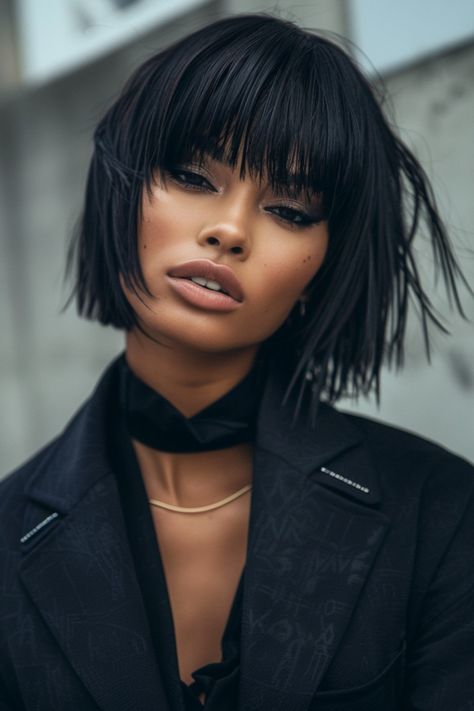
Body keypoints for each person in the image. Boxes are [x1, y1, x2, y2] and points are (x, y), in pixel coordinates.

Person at [0, 12, 473, 711]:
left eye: (288, 209)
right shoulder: (9, 534)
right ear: (121, 190)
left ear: (324, 266)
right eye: (192, 174)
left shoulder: (441, 512)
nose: (228, 228)